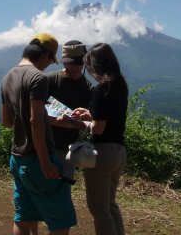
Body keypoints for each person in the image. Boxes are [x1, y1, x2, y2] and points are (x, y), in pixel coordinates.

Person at [1, 33, 77, 235]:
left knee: (24, 217)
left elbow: (7, 122)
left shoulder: (7, 77)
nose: (48, 66)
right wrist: (45, 161)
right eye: (51, 61)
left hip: (17, 158)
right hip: (37, 158)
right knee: (61, 220)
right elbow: (35, 122)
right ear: (45, 56)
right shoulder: (38, 78)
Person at [73, 43, 128, 235]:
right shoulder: (120, 86)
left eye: (89, 65)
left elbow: (98, 129)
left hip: (102, 154)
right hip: (119, 152)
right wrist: (89, 113)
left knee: (99, 209)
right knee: (110, 205)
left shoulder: (99, 89)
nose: (88, 70)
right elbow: (108, 117)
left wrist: (76, 123)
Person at [47, 40, 93, 179]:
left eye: (78, 63)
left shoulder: (87, 87)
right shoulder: (51, 80)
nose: (73, 67)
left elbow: (89, 116)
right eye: (69, 63)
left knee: (62, 187)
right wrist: (60, 122)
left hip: (67, 148)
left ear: (84, 62)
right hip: (43, 145)